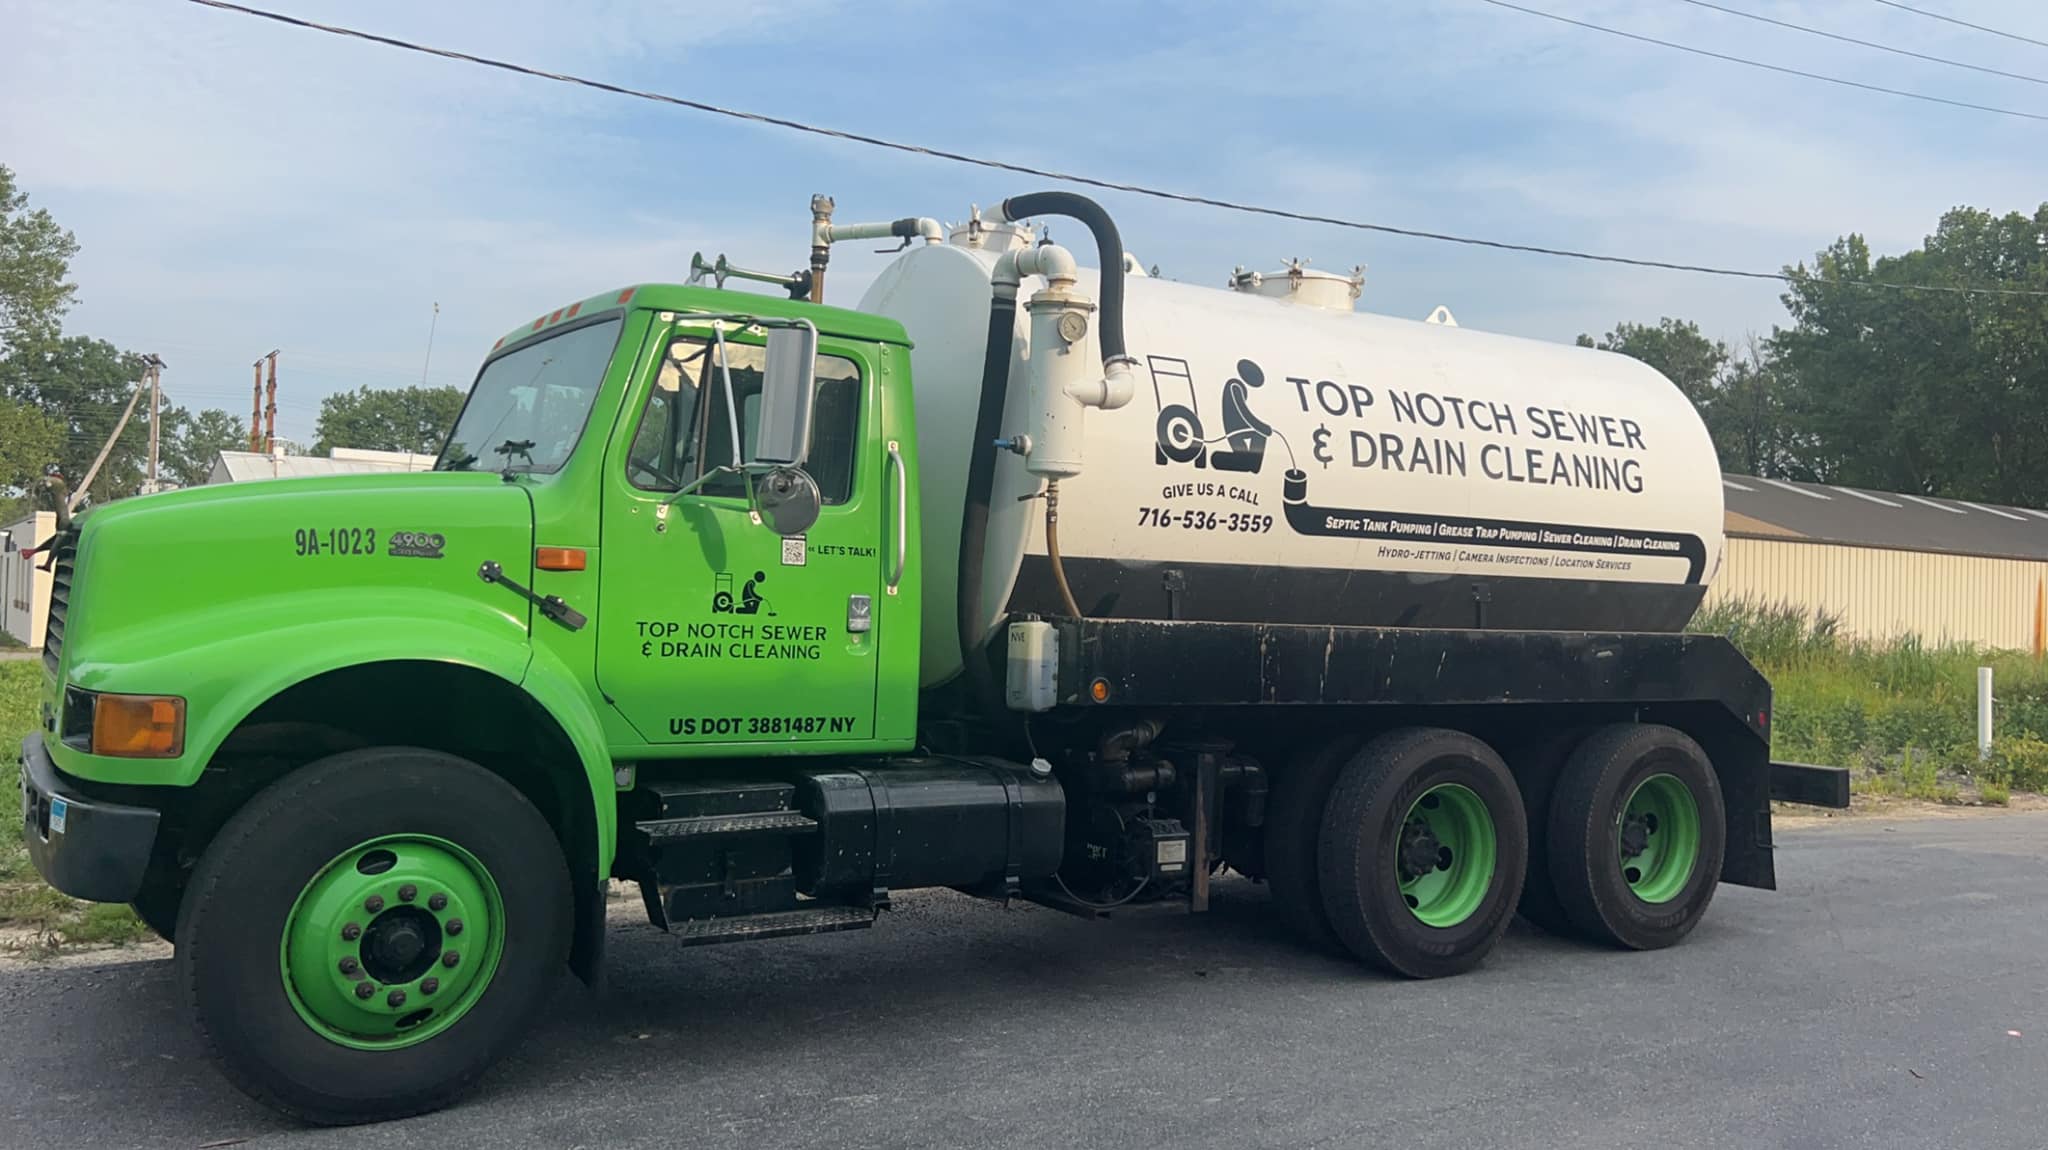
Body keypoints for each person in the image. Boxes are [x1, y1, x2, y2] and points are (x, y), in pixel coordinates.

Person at [1213, 359, 1272, 473]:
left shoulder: (1238, 386)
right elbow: (1245, 414)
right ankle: (1217, 459)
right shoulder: (1234, 386)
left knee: (1255, 442)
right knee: (1256, 439)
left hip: (1241, 427)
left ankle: (1252, 466)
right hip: (1234, 430)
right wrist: (1262, 427)